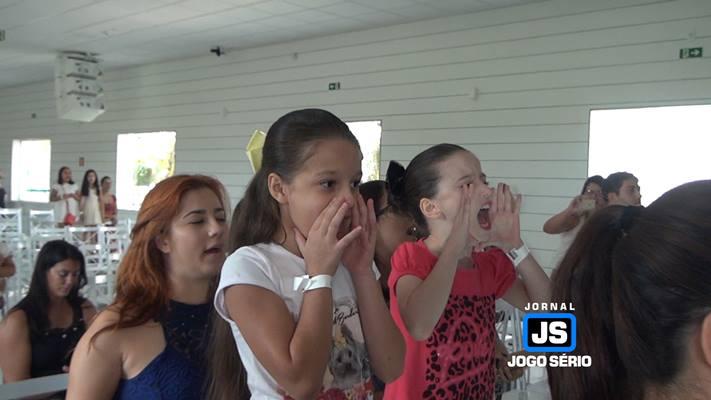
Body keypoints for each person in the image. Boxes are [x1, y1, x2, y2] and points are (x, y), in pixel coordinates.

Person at [210, 109, 405, 400]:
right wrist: (320, 276)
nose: (348, 199)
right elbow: (301, 383)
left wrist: (363, 271)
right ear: (279, 188)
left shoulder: (348, 261)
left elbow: (391, 366)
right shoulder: (250, 267)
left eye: (354, 183)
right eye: (328, 184)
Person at [383, 144, 551, 400]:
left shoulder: (489, 264)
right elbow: (419, 325)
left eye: (484, 181)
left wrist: (514, 246)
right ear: (431, 208)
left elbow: (551, 311)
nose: (487, 191)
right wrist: (455, 246)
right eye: (468, 185)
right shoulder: (412, 258)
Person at [67, 175, 228, 400]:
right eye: (197, 221)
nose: (216, 229)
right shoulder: (116, 329)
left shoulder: (239, 314)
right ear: (162, 239)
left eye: (221, 218)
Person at [547, 180, 711, 400]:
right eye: (631, 190)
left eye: (638, 189)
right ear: (612, 196)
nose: (638, 196)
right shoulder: (593, 248)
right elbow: (551, 310)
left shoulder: (646, 255)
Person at [0, 240, 96, 386]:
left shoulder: (84, 309)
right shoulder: (18, 320)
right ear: (44, 272)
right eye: (63, 274)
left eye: (75, 274)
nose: (70, 281)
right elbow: (16, 386)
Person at [543, 175, 605, 267]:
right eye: (589, 192)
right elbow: (548, 228)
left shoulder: (608, 218)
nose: (594, 197)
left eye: (599, 193)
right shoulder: (576, 217)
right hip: (567, 269)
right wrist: (570, 210)